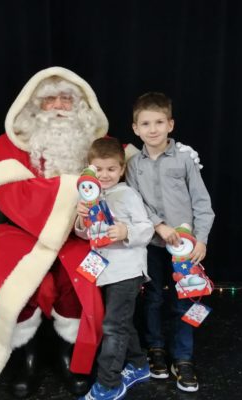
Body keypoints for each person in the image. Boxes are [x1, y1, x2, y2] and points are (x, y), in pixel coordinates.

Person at [0, 66, 120, 398]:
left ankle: (70, 356)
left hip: (81, 233)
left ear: (80, 106)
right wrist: (73, 191)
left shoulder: (100, 146)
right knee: (2, 277)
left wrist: (81, 217)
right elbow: (12, 196)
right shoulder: (7, 145)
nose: (60, 106)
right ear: (35, 106)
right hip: (21, 231)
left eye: (67, 99)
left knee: (79, 279)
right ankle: (28, 359)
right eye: (51, 99)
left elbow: (117, 185)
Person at [125, 92, 215, 393]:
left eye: (159, 122)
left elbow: (202, 203)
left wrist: (201, 240)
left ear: (170, 124)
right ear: (136, 128)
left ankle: (183, 357)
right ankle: (156, 349)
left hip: (185, 250)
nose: (153, 129)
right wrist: (159, 225)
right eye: (145, 124)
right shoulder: (133, 165)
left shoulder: (185, 159)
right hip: (152, 244)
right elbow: (135, 202)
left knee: (184, 301)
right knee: (153, 298)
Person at [74, 138, 154, 400]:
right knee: (120, 322)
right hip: (104, 271)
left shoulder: (128, 195)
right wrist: (81, 218)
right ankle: (139, 364)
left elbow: (146, 228)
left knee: (112, 327)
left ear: (121, 169)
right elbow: (85, 234)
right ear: (89, 169)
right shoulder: (90, 196)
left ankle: (108, 384)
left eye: (111, 169)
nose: (104, 175)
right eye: (98, 169)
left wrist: (125, 231)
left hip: (127, 271)